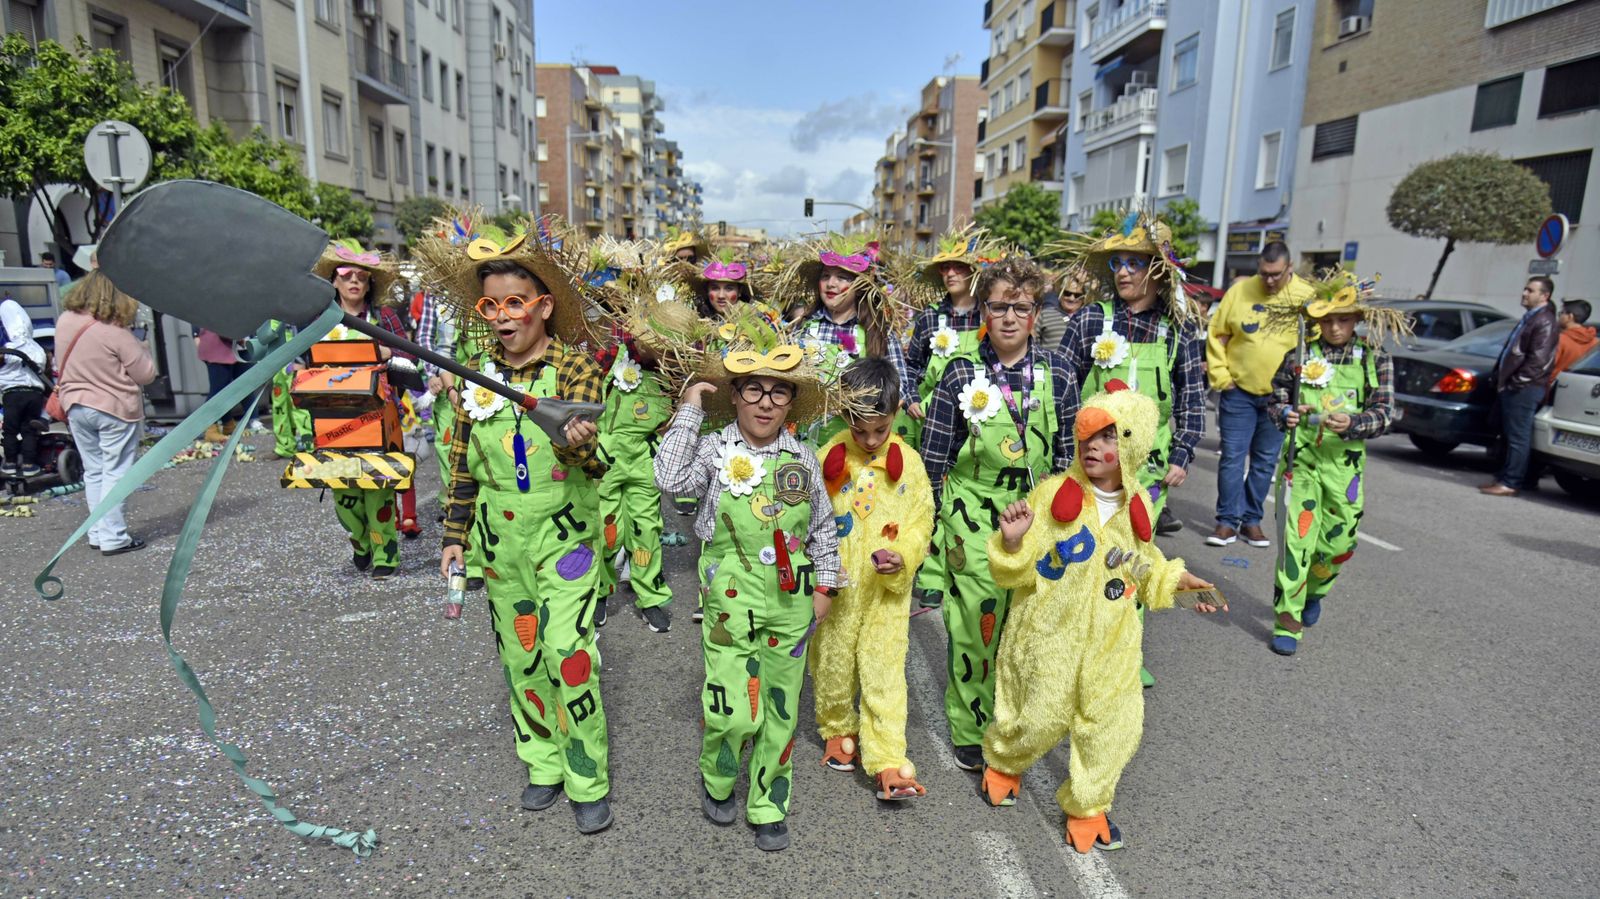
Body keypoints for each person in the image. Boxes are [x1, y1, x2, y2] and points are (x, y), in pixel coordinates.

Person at [420, 220, 615, 834]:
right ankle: (543, 763)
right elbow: (461, 466)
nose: (503, 317)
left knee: (568, 653)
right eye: (491, 306)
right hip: (499, 543)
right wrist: (454, 537)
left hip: (565, 540)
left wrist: (576, 443)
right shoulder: (475, 376)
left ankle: (586, 775)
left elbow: (599, 462)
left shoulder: (576, 369)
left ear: (543, 306)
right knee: (522, 657)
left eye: (515, 303)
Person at [978, 387, 1220, 853]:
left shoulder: (1138, 506)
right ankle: (1005, 760)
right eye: (1089, 435)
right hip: (1050, 635)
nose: (1093, 446)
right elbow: (1018, 570)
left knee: (1114, 727)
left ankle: (1088, 806)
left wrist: (1177, 581)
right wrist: (1011, 543)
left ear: (1133, 444)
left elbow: (1140, 564)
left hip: (1113, 643)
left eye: (1110, 437)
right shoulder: (1053, 495)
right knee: (1038, 717)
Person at [654, 317, 843, 852]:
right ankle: (718, 775)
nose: (765, 403)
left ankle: (768, 803)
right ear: (735, 396)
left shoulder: (802, 457)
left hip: (792, 598)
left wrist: (825, 586)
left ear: (790, 403)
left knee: (780, 710)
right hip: (728, 598)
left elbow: (823, 528)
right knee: (732, 709)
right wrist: (690, 408)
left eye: (778, 392)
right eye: (753, 390)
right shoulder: (714, 449)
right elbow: (668, 479)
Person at [920, 255, 1079, 770]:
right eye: (998, 307)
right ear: (984, 311)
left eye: (1021, 307)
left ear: (1035, 313)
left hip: (1037, 515)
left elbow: (1067, 455)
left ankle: (1012, 723)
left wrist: (1063, 518)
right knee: (975, 625)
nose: (1009, 317)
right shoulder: (959, 371)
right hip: (971, 513)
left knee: (1026, 630)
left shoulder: (1059, 371)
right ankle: (969, 728)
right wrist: (927, 530)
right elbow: (933, 458)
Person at [1056, 213, 1206, 689]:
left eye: (1134, 263)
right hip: (1089, 465)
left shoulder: (1177, 331)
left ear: (1157, 271)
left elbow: (1193, 398)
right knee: (1083, 556)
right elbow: (1060, 385)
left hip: (1148, 471)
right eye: (1117, 263)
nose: (1122, 271)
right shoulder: (1090, 320)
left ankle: (1123, 653)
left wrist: (1183, 453)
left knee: (1130, 557)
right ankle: (1075, 649)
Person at [811, 357, 934, 801]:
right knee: (833, 660)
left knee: (885, 671)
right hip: (840, 586)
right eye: (859, 430)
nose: (869, 440)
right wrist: (821, 568)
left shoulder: (911, 466)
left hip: (886, 594)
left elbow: (921, 522)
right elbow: (811, 519)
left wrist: (903, 557)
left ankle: (887, 759)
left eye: (879, 430)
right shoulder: (826, 458)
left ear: (897, 412)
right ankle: (837, 727)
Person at [1263, 274, 1401, 655]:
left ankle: (1314, 590)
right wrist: (1286, 413)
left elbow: (1386, 412)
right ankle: (1288, 621)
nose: (1335, 327)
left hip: (1345, 467)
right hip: (1301, 461)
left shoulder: (1374, 358)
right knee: (1295, 542)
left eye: (1343, 319)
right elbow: (1274, 400)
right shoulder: (1299, 355)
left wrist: (1355, 422)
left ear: (1356, 318)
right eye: (1327, 320)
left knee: (1339, 543)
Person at [594, 286, 708, 634]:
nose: (661, 354)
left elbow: (680, 415)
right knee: (605, 531)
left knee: (647, 530)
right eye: (658, 345)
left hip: (645, 459)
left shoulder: (676, 373)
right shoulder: (611, 354)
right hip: (605, 457)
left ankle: (650, 596)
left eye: (670, 350)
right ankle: (598, 591)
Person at [902, 229, 994, 608]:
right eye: (945, 268)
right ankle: (928, 572)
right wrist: (910, 398)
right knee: (927, 495)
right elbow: (911, 365)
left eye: (959, 266)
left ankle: (958, 568)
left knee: (962, 501)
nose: (951, 273)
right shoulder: (929, 317)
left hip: (977, 423)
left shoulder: (990, 313)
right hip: (930, 422)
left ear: (975, 271)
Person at [310, 241, 413, 578]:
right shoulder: (321, 319)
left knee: (378, 489)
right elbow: (302, 360)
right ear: (334, 281)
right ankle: (360, 541)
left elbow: (411, 358)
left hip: (378, 418)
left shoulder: (384, 318)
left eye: (361, 276)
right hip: (334, 419)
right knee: (345, 496)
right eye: (346, 274)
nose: (354, 280)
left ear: (369, 284)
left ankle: (385, 554)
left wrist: (389, 354)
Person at [1205, 241, 1314, 548]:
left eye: (1276, 274)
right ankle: (1227, 521)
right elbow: (1217, 334)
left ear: (1289, 267)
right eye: (1264, 273)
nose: (1269, 280)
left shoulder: (1306, 296)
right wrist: (1221, 376)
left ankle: (1251, 520)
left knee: (1265, 461)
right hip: (1238, 391)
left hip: (1280, 397)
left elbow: (1316, 345)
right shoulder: (1240, 292)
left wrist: (1305, 391)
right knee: (1232, 458)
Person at [54, 273, 156, 554]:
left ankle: (97, 532)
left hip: (75, 405)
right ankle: (114, 537)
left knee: (94, 471)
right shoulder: (115, 331)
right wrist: (143, 348)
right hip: (113, 408)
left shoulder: (65, 321)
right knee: (116, 473)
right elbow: (145, 374)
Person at [788, 233, 914, 444]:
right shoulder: (802, 328)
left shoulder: (878, 332)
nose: (831, 284)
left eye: (842, 277)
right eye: (825, 276)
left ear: (860, 285)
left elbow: (900, 387)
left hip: (859, 447)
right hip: (808, 442)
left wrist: (859, 405)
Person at [1481, 277, 1559, 496]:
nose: (1524, 293)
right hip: (1514, 386)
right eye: (1525, 289)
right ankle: (1504, 477)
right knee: (1509, 435)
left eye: (1530, 290)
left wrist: (1515, 383)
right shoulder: (1531, 317)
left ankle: (1511, 481)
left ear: (1544, 296)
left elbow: (1538, 361)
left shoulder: (1544, 321)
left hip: (1524, 388)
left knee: (1518, 437)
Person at [1, 293, 49, 477]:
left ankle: (10, 463)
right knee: (29, 430)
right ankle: (29, 465)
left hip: (12, 394)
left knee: (10, 430)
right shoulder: (37, 349)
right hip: (34, 394)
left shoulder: (6, 349)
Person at [194, 328, 250, 443]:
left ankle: (228, 424)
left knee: (223, 391)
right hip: (217, 349)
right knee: (217, 393)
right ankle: (209, 429)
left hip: (219, 348)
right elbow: (223, 326)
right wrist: (239, 338)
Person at [1550, 299, 1595, 384]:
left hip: (1557, 386)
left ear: (1570, 317)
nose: (1559, 317)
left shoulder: (1560, 340)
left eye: (1561, 313)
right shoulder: (1596, 342)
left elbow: (1547, 368)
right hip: (1585, 385)